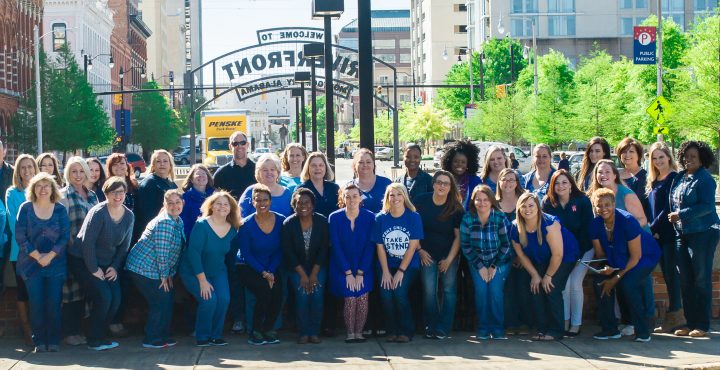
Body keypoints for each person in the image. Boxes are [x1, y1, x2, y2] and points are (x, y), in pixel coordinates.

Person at [69, 176, 134, 351]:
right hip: (83, 260)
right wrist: (93, 269)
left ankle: (101, 335)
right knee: (104, 297)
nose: (118, 196)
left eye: (121, 192)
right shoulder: (98, 213)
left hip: (108, 263)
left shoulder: (129, 216)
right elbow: (87, 244)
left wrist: (114, 266)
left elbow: (124, 246)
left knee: (116, 298)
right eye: (113, 192)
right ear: (106, 194)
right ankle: (93, 339)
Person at [590, 188, 661, 342]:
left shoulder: (628, 221)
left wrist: (615, 277)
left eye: (607, 204)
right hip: (619, 259)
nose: (603, 209)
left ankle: (642, 330)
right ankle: (610, 329)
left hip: (644, 257)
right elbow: (601, 255)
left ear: (614, 204)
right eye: (599, 205)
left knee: (627, 284)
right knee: (598, 282)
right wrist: (607, 269)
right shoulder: (595, 224)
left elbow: (635, 257)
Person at [511, 192, 579, 341]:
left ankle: (556, 331)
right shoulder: (515, 227)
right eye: (524, 206)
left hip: (565, 256)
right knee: (535, 288)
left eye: (531, 205)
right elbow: (521, 256)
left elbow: (558, 255)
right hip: (541, 258)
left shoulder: (549, 224)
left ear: (538, 207)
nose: (527, 209)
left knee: (551, 288)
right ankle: (542, 328)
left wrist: (548, 276)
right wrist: (535, 275)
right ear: (519, 209)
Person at [668, 140, 719, 338]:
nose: (688, 160)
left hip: (704, 233)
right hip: (683, 234)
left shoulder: (705, 179)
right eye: (686, 156)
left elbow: (707, 206)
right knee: (686, 281)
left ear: (702, 159)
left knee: (701, 279)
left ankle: (702, 325)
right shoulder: (680, 177)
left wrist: (681, 214)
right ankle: (689, 323)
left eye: (693, 157)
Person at [15, 172, 70, 353]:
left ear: (53, 188)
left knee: (54, 303)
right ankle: (39, 341)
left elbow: (64, 237)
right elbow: (21, 236)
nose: (43, 189)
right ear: (33, 188)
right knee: (36, 304)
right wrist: (39, 256)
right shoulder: (25, 208)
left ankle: (53, 340)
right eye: (39, 185)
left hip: (56, 264)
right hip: (31, 265)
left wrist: (50, 256)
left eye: (47, 185)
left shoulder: (60, 209)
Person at [126, 189, 186, 349]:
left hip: (158, 269)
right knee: (160, 301)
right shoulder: (164, 222)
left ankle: (163, 335)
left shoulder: (177, 220)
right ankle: (152, 338)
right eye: (170, 203)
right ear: (164, 205)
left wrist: (168, 274)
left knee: (166, 300)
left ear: (183, 203)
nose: (174, 206)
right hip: (143, 269)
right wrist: (165, 276)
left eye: (178, 202)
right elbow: (162, 252)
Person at [179, 191, 240, 346]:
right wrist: (203, 281)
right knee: (209, 300)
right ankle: (202, 336)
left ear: (231, 208)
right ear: (211, 206)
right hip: (194, 271)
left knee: (224, 299)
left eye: (226, 204)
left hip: (217, 270)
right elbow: (194, 254)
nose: (222, 207)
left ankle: (216, 335)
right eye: (218, 203)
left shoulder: (233, 229)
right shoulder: (202, 225)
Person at [542, 170, 594, 336]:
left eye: (564, 182)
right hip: (559, 253)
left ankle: (576, 324)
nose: (561, 186)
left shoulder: (583, 201)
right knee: (562, 285)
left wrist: (578, 254)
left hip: (583, 249)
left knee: (574, 283)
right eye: (557, 183)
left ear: (571, 185)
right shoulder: (548, 204)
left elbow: (588, 231)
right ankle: (563, 322)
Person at [414, 170, 463, 339]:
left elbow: (458, 237)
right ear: (433, 184)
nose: (442, 186)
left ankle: (443, 327)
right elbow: (413, 228)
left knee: (449, 290)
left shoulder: (456, 207)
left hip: (448, 255)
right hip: (426, 254)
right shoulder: (421, 201)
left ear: (451, 187)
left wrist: (449, 259)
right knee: (429, 291)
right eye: (439, 182)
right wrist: (419, 250)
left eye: (446, 183)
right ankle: (431, 325)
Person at [460, 185, 513, 340]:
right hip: (477, 262)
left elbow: (506, 244)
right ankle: (483, 327)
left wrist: (494, 266)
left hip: (500, 261)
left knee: (495, 292)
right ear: (473, 201)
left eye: (485, 200)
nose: (482, 203)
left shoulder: (500, 217)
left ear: (491, 201)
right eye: (478, 199)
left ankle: (497, 328)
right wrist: (481, 266)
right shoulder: (467, 218)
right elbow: (466, 246)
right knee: (481, 292)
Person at [235, 185, 285, 346]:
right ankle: (255, 331)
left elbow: (280, 250)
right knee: (264, 291)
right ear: (253, 202)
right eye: (258, 200)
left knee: (278, 293)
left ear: (271, 201)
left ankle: (268, 329)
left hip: (272, 265)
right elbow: (246, 253)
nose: (262, 203)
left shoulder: (281, 220)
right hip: (248, 267)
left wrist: (270, 271)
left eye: (265, 200)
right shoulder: (245, 225)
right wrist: (264, 273)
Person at [373, 183, 423, 343]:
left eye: (399, 194)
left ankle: (406, 330)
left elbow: (413, 246)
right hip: (386, 264)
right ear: (387, 198)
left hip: (408, 265)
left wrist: (401, 271)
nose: (395, 198)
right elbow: (380, 248)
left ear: (404, 197)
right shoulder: (380, 218)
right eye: (391, 195)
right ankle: (392, 330)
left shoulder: (414, 217)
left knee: (399, 292)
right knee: (386, 294)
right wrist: (386, 272)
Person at [58, 157, 99, 346]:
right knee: (70, 294)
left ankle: (79, 331)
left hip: (88, 254)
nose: (78, 175)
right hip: (70, 252)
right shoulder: (63, 195)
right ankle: (69, 333)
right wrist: (70, 247)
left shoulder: (92, 195)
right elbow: (61, 226)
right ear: (68, 173)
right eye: (74, 171)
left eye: (81, 171)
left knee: (84, 292)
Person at [328, 184, 376, 343]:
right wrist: (348, 273)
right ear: (342, 198)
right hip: (342, 267)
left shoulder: (370, 217)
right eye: (347, 196)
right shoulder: (334, 217)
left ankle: (359, 332)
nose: (351, 199)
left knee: (362, 296)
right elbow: (336, 246)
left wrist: (361, 272)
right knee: (350, 297)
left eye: (355, 196)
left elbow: (370, 246)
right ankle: (350, 333)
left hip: (364, 266)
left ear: (360, 198)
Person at [281, 188, 329, 344]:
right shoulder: (288, 224)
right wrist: (303, 275)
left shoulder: (322, 221)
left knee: (316, 296)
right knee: (302, 296)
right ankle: (303, 332)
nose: (303, 205)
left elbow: (324, 249)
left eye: (307, 202)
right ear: (294, 205)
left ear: (313, 204)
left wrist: (314, 274)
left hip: (318, 266)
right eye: (299, 202)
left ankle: (314, 332)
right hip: (296, 268)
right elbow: (288, 252)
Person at [645, 142, 684, 333]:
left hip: (668, 233)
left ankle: (676, 315)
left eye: (661, 156)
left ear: (669, 157)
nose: (658, 161)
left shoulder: (674, 179)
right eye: (654, 157)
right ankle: (670, 317)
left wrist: (653, 228)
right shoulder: (654, 180)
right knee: (665, 274)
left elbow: (668, 209)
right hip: (656, 235)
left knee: (671, 275)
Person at [6, 154, 40, 345]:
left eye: (30, 167)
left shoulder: (41, 189)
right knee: (23, 292)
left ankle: (40, 328)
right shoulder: (12, 192)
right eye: (23, 168)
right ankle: (27, 330)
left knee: (39, 291)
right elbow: (14, 223)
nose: (27, 171)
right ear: (18, 171)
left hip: (42, 251)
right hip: (20, 251)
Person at [497, 168, 533, 335]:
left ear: (517, 182)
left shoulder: (524, 201)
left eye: (512, 179)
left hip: (523, 254)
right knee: (508, 289)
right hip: (502, 255)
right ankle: (510, 323)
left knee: (524, 288)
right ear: (499, 182)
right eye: (505, 179)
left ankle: (526, 322)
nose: (508, 183)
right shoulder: (494, 203)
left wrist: (520, 255)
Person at [587, 159, 647, 227]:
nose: (603, 175)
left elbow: (643, 220)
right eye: (600, 172)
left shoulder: (627, 194)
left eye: (607, 172)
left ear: (614, 175)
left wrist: (623, 229)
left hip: (636, 235)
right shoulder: (595, 195)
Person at [134, 150, 178, 242]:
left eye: (165, 161)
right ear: (153, 165)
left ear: (170, 165)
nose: (162, 164)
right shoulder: (149, 183)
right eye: (158, 161)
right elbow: (147, 215)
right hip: (153, 235)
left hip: (169, 232)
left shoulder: (172, 185)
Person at [213, 131, 256, 200]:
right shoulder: (221, 173)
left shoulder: (258, 170)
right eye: (235, 144)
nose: (239, 146)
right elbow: (213, 197)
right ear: (230, 146)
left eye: (243, 143)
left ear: (247, 145)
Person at [348, 148, 392, 214]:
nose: (365, 165)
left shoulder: (386, 184)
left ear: (373, 165)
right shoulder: (349, 187)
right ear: (355, 166)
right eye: (361, 162)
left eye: (368, 162)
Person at [440, 140, 481, 210]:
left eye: (463, 162)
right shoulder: (443, 179)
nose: (459, 164)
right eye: (456, 161)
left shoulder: (475, 181)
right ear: (450, 162)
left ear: (468, 163)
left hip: (468, 219)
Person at [299, 152, 339, 218]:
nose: (318, 168)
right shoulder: (301, 189)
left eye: (321, 165)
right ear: (308, 168)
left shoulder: (335, 188)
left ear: (325, 168)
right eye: (313, 165)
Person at [180, 164, 215, 239]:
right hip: (194, 240)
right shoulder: (185, 198)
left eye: (203, 174)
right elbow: (184, 223)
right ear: (191, 179)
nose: (201, 176)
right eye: (198, 174)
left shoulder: (215, 196)